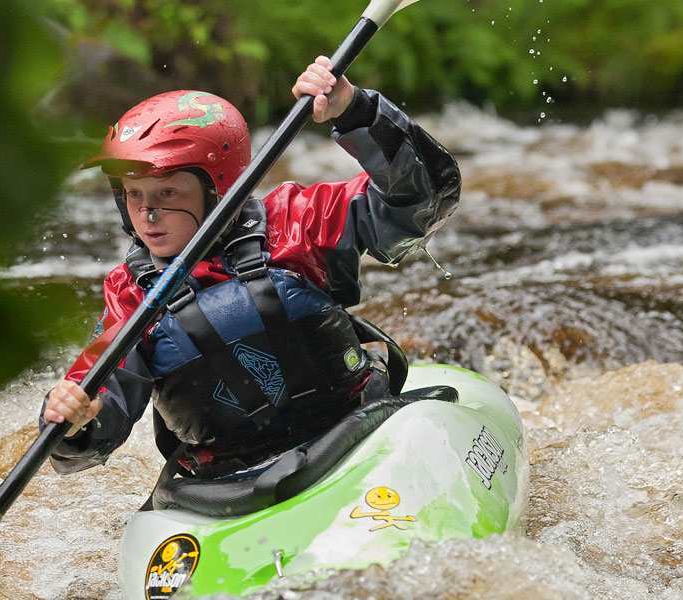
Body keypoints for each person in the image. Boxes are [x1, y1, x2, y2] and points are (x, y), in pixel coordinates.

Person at [42, 55, 460, 480]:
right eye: (134, 194)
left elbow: (423, 200)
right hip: (234, 477)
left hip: (357, 428)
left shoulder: (297, 221)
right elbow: (96, 406)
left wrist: (355, 110)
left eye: (167, 193)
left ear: (219, 188)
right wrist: (77, 420)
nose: (147, 214)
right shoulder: (132, 293)